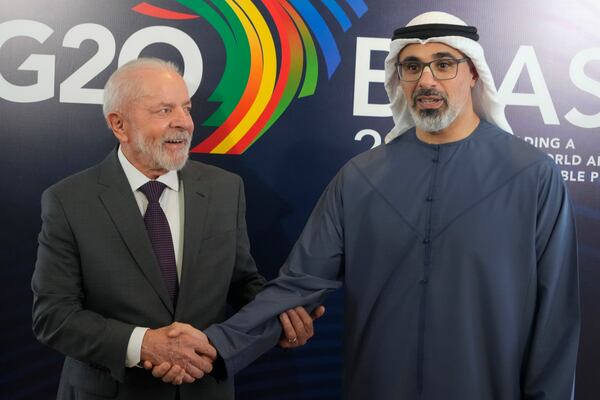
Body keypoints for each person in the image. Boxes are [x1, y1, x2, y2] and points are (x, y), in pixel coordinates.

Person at [201, 11, 581, 399]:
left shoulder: (531, 175)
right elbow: (298, 284)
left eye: (444, 64)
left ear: (473, 74)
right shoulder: (360, 177)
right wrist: (213, 347)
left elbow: (555, 319)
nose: (426, 81)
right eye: (412, 67)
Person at [31, 57, 322, 400]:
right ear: (119, 124)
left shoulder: (226, 189)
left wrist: (278, 318)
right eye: (164, 110)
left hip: (205, 390)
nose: (184, 123)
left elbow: (242, 282)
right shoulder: (68, 200)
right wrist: (143, 345)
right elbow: (53, 316)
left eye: (186, 108)